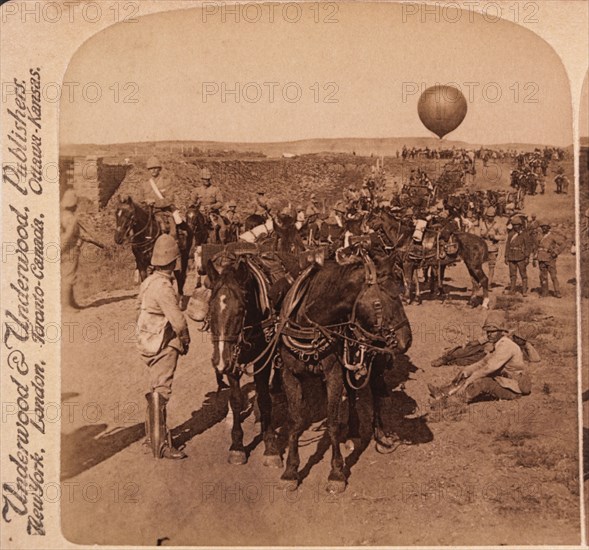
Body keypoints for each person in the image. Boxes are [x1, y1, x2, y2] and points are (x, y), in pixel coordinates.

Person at [137, 234, 190, 460]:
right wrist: (185, 340)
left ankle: (151, 435)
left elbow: (138, 307)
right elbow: (178, 321)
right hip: (162, 341)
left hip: (147, 337)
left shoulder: (148, 281)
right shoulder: (164, 287)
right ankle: (160, 445)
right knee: (162, 390)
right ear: (174, 260)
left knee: (155, 386)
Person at [428, 310, 533, 405]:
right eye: (488, 332)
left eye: (493, 331)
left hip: (513, 388)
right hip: (501, 379)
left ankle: (452, 402)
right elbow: (483, 363)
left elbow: (488, 368)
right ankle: (443, 392)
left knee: (481, 382)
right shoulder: (497, 343)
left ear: (501, 331)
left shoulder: (506, 346)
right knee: (466, 372)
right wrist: (467, 371)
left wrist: (469, 380)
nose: (490, 334)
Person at [60, 189, 104, 312]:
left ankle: (72, 302)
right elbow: (68, 236)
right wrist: (62, 249)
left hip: (64, 248)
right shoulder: (72, 219)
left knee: (68, 275)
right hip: (69, 249)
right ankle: (66, 305)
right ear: (74, 204)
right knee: (68, 277)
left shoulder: (62, 216)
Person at [141, 156, 182, 240]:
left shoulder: (166, 182)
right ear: (148, 170)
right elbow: (140, 199)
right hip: (148, 213)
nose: (153, 170)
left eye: (155, 168)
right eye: (151, 168)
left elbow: (170, 199)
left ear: (159, 169)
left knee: (172, 233)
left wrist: (154, 202)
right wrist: (145, 202)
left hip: (164, 212)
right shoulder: (145, 184)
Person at [504, 215, 533, 296]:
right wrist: (506, 256)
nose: (515, 226)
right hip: (511, 256)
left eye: (517, 225)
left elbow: (528, 246)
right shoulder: (510, 234)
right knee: (512, 275)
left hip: (521, 257)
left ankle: (524, 291)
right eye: (514, 225)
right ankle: (512, 290)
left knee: (523, 274)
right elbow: (507, 245)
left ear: (520, 225)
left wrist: (527, 257)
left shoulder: (524, 234)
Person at [533, 221, 562, 298]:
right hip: (541, 258)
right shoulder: (539, 236)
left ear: (548, 228)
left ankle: (557, 291)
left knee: (553, 276)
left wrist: (556, 252)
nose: (544, 228)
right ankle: (544, 292)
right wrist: (534, 257)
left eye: (545, 227)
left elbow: (562, 244)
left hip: (550, 259)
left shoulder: (553, 236)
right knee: (543, 276)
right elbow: (536, 247)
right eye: (542, 227)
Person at [477, 206, 505, 288]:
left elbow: (503, 236)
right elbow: (478, 235)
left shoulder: (498, 225)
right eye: (488, 216)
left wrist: (495, 237)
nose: (490, 218)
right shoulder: (482, 224)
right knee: (479, 265)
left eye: (492, 216)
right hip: (482, 248)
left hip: (493, 248)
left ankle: (489, 283)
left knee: (491, 266)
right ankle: (481, 281)